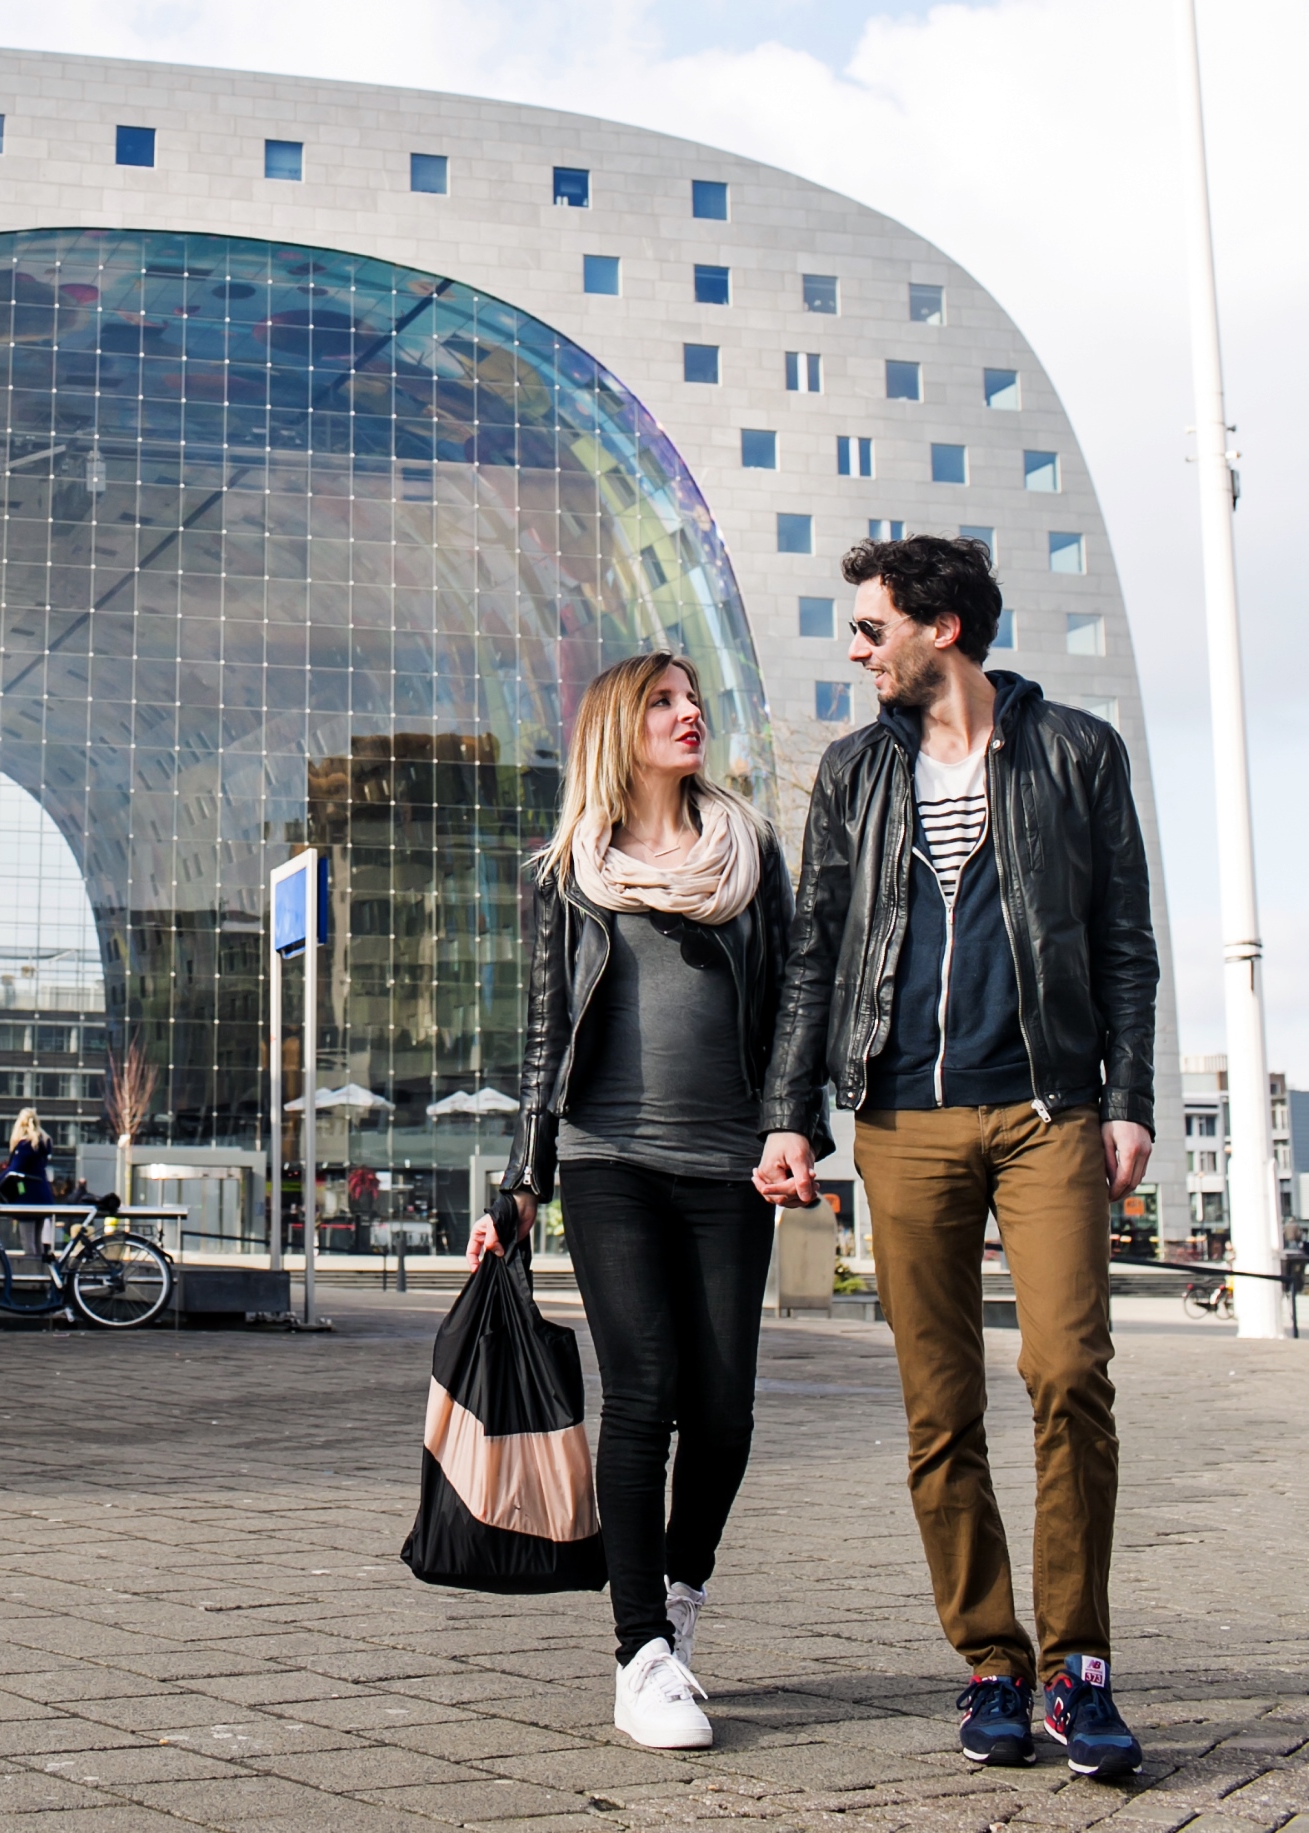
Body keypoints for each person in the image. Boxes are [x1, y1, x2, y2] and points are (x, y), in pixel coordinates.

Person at [754, 535, 1156, 1781]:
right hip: (901, 1120)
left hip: (1047, 1113)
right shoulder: (854, 772)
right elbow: (816, 950)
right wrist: (790, 1114)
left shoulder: (1076, 751)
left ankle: (1076, 1667)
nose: (856, 651)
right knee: (941, 1409)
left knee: (1068, 1375)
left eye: (871, 628)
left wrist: (1128, 1099)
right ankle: (991, 1661)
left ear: (943, 629)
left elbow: (1123, 941)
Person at [470, 650, 814, 1751]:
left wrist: (792, 1123)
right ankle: (638, 1653)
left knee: (724, 1412)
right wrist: (521, 1184)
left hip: (729, 1166)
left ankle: (679, 1593)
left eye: (692, 698)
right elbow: (543, 1038)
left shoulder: (748, 853)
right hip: (606, 1159)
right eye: (663, 702)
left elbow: (794, 1002)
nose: (688, 713)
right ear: (620, 725)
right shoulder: (567, 871)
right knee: (644, 1392)